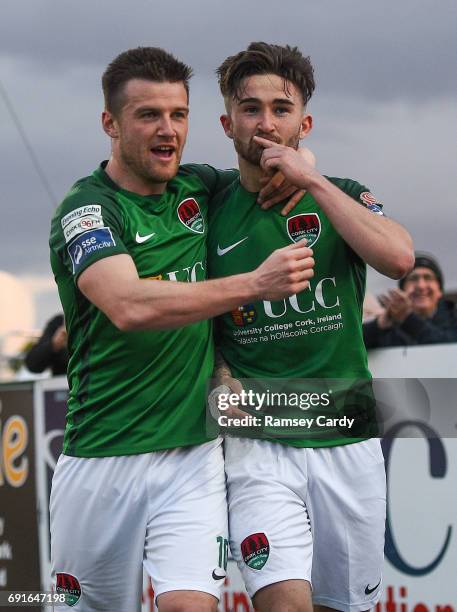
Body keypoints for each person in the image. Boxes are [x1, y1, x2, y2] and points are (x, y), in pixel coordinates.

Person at [48, 47, 315, 612]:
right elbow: (128, 305)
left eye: (179, 114)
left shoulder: (199, 187)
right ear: (110, 124)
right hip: (102, 458)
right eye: (148, 115)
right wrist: (253, 284)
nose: (168, 130)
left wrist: (297, 159)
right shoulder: (87, 209)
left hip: (192, 457)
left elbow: (263, 159)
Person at [207, 42, 414, 612]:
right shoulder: (207, 199)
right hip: (259, 441)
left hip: (345, 430)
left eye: (281, 108)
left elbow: (399, 258)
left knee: (344, 606)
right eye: (250, 109)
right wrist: (221, 373)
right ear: (227, 123)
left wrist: (313, 179)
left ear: (306, 122)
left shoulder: (342, 194)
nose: (266, 123)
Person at [363, 252, 457, 348]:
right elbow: (353, 345)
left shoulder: (454, 318)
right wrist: (380, 324)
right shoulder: (390, 324)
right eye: (413, 278)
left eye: (428, 278)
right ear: (402, 290)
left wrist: (408, 318)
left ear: (440, 291)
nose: (421, 286)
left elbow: (449, 345)